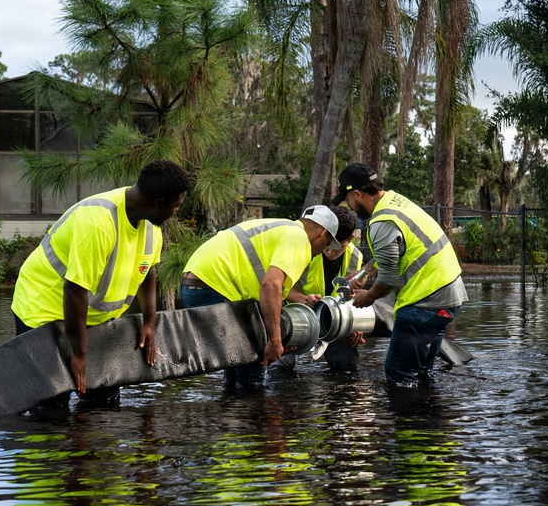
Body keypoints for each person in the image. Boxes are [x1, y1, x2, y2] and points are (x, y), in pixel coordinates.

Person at [11, 160, 190, 403]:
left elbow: (147, 271)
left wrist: (149, 322)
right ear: (158, 204)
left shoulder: (151, 227)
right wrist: (80, 354)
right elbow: (75, 290)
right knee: (51, 404)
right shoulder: (97, 222)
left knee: (103, 399)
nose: (176, 212)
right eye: (176, 206)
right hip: (42, 309)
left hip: (94, 320)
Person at [332, 163, 467, 386]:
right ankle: (431, 415)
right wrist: (364, 272)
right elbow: (399, 251)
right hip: (450, 296)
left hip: (425, 302)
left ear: (357, 193)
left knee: (398, 374)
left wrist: (369, 297)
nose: (350, 206)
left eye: (347, 199)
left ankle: (407, 420)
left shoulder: (381, 221)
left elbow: (387, 280)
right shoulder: (396, 201)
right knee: (422, 372)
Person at [180, 205, 344, 385]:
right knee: (254, 359)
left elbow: (273, 284)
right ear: (323, 233)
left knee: (237, 360)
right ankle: (252, 410)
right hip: (214, 287)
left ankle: (233, 408)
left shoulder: (284, 228)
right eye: (327, 243)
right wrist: (275, 341)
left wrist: (302, 299)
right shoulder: (300, 239)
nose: (324, 250)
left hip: (195, 286)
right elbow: (271, 285)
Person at [268, 205, 365, 374]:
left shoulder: (355, 257)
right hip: (293, 314)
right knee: (279, 365)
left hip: (331, 320)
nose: (329, 252)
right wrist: (303, 299)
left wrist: (353, 327)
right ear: (324, 233)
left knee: (348, 366)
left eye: (337, 248)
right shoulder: (303, 247)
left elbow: (347, 302)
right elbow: (277, 288)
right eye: (327, 245)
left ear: (350, 239)